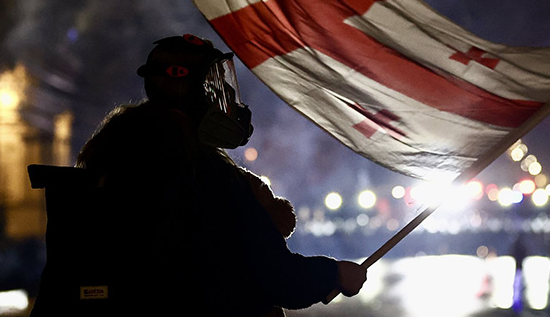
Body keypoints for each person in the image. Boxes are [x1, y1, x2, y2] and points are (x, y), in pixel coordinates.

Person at [30, 34, 366, 316]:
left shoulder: (107, 158)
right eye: (215, 85)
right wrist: (334, 273)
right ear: (192, 90)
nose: (226, 99)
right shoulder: (205, 174)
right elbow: (275, 276)